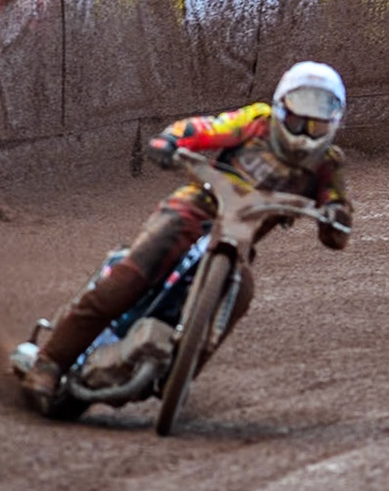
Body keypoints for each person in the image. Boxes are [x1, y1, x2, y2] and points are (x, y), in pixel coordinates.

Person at [19, 60, 354, 401]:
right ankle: (50, 362)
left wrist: (334, 216)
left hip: (238, 239)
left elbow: (337, 211)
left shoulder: (328, 162)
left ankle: (181, 375)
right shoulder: (257, 122)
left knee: (241, 293)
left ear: (333, 121)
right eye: (299, 117)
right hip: (193, 210)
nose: (305, 130)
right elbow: (208, 127)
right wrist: (172, 139)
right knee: (132, 275)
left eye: (316, 122)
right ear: (282, 107)